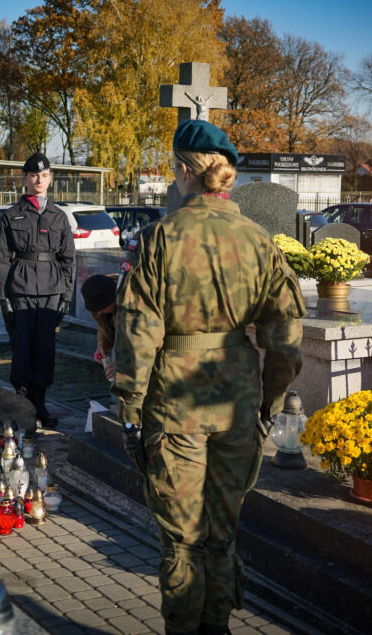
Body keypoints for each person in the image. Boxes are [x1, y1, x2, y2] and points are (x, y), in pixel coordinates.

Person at [112, 120, 305, 635]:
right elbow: (285, 339)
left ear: (183, 171)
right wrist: (270, 403)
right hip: (238, 405)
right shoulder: (260, 241)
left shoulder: (160, 238)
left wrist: (129, 409)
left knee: (183, 542)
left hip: (175, 404)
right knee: (221, 536)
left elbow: (138, 334)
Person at [0, 152, 76, 428]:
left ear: (50, 179)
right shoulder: (11, 216)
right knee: (22, 349)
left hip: (51, 291)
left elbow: (68, 259)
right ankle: (22, 406)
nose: (39, 179)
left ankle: (40, 405)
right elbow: (0, 259)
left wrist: (66, 296)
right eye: (34, 175)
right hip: (21, 291)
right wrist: (3, 297)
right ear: (25, 178)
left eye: (44, 175)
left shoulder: (59, 217)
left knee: (45, 351)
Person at [81, 273, 118, 382]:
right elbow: (104, 326)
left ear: (113, 300)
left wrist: (122, 367)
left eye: (100, 309)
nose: (98, 312)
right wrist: (101, 343)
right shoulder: (104, 306)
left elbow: (141, 345)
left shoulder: (132, 310)